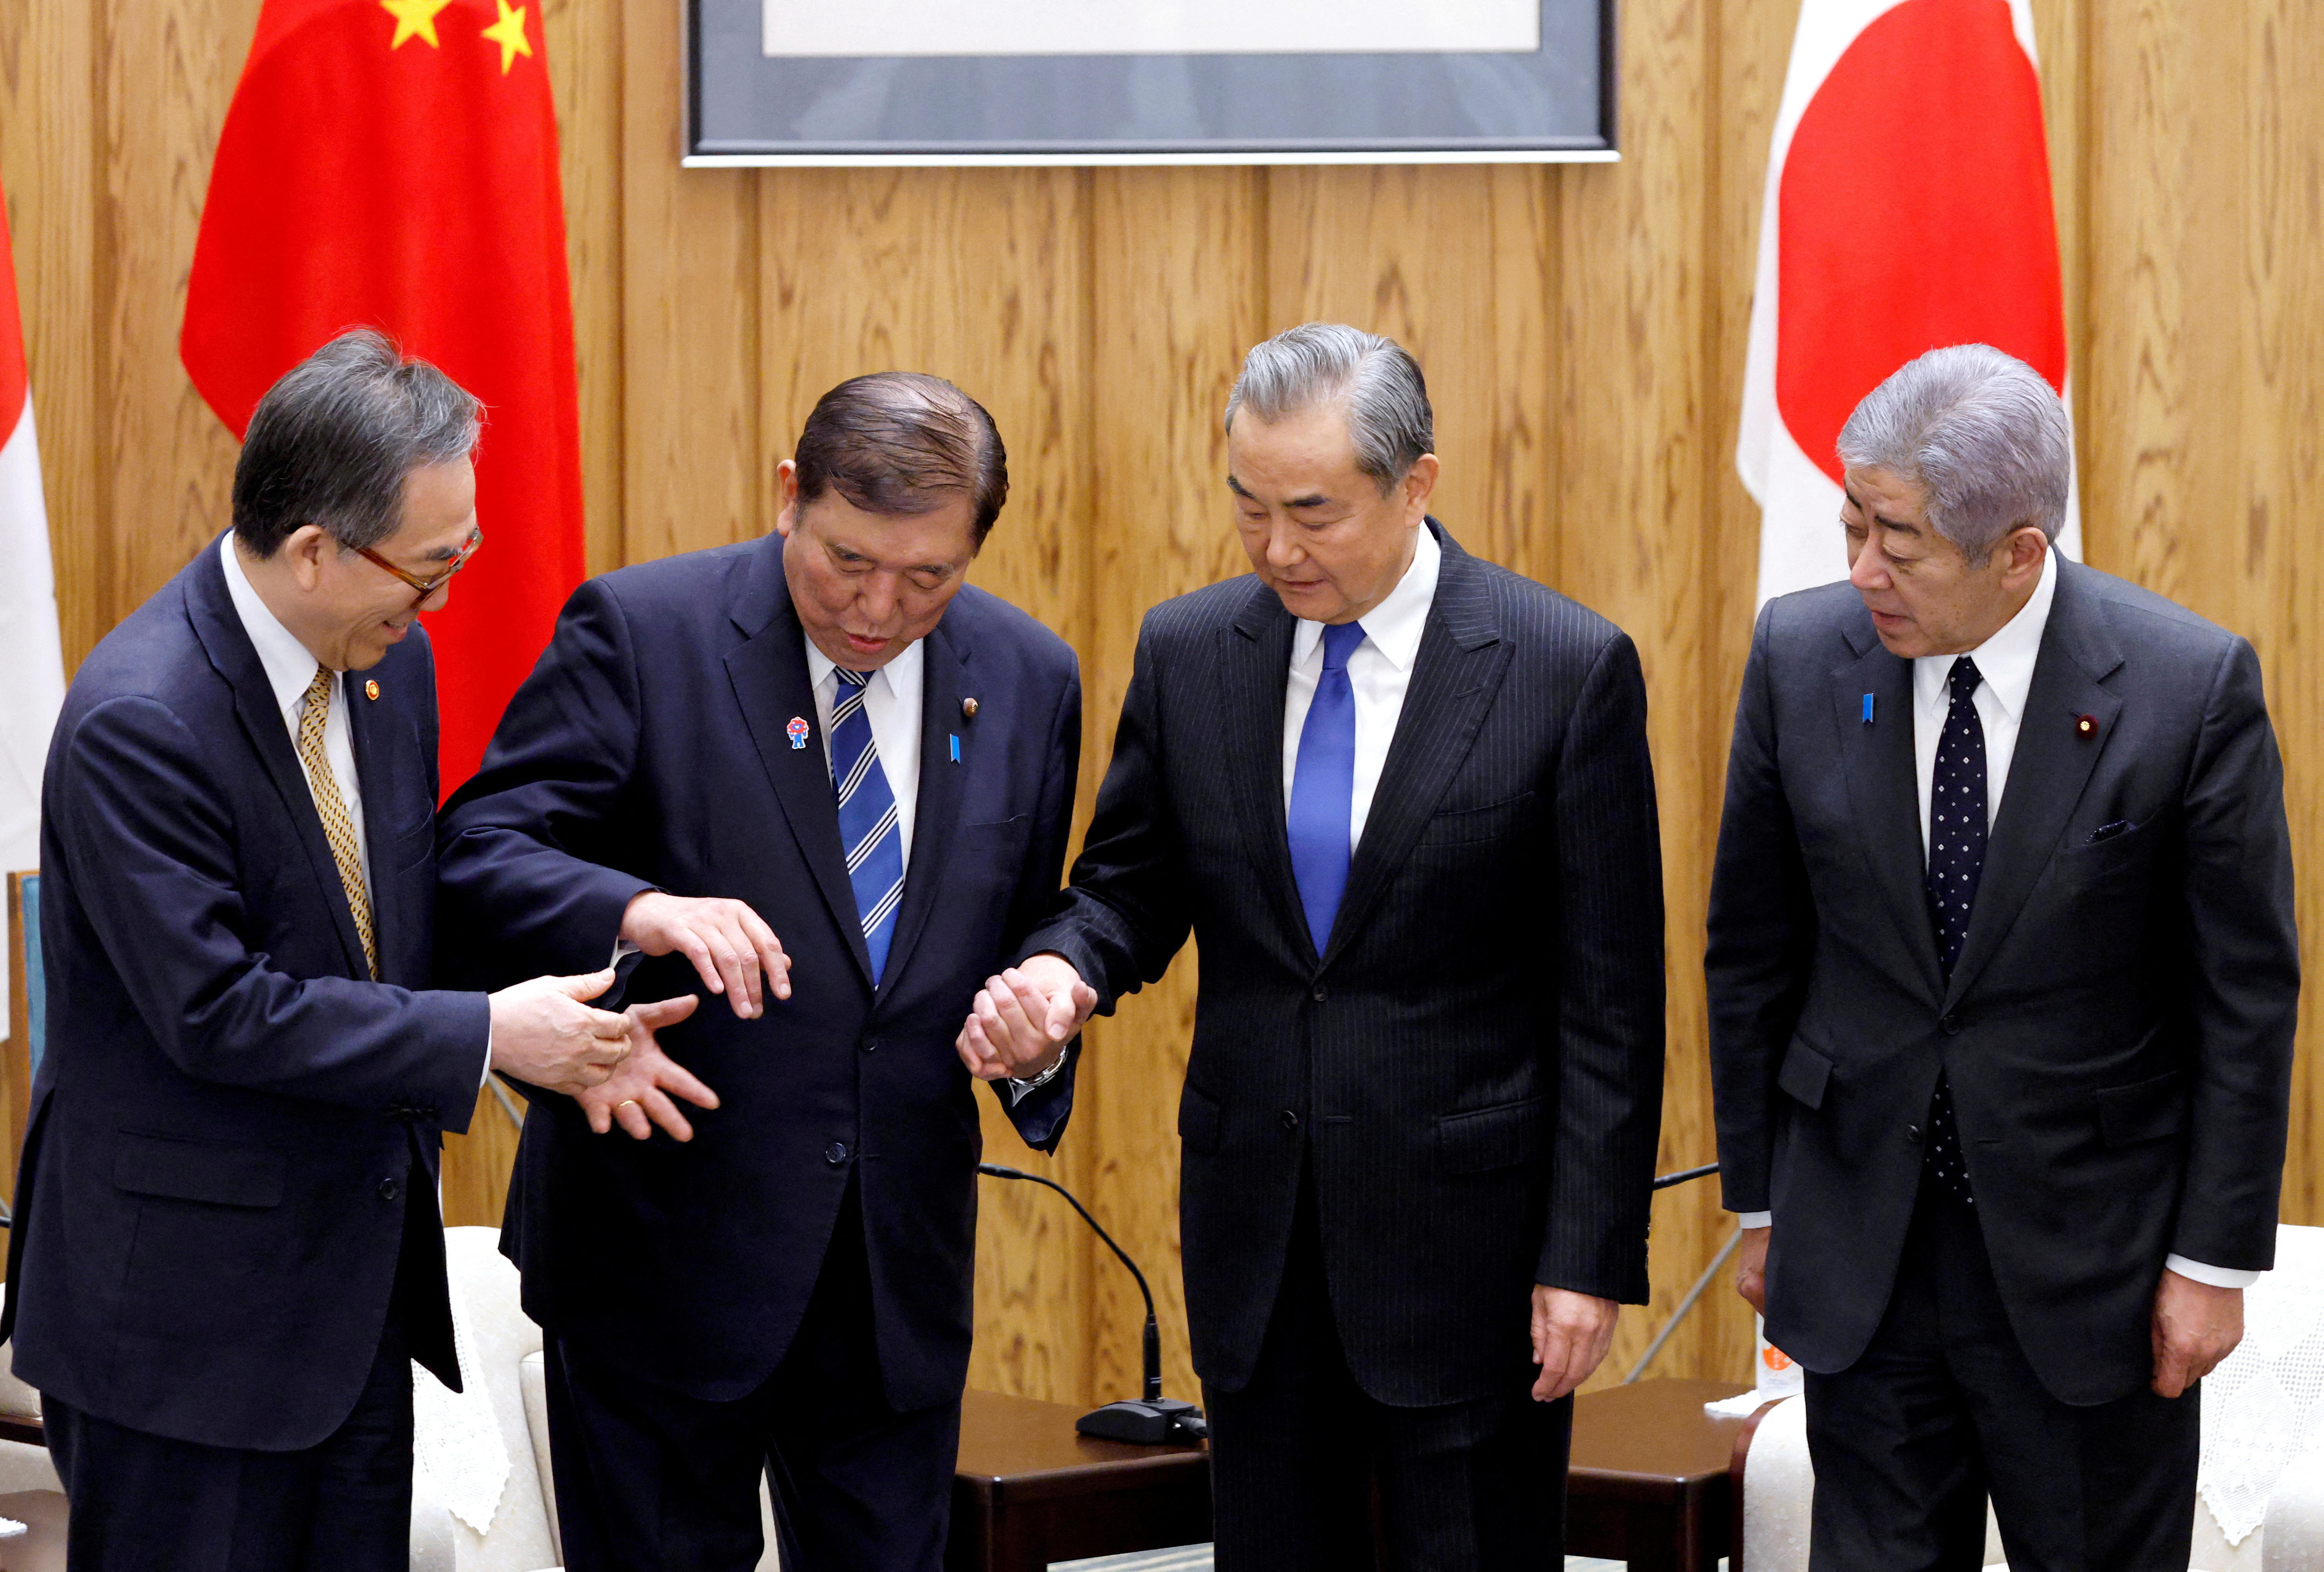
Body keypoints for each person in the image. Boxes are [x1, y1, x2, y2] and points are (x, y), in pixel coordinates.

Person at [960, 323, 1666, 1568]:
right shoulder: (1193, 653)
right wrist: (1063, 974)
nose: (1277, 548)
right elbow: (1127, 886)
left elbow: (1610, 1002)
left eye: (1314, 512)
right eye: (1247, 505)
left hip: (1473, 1267)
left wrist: (1588, 1258)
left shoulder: (1562, 668)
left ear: (1418, 488)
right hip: (1259, 1254)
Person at [2, 329, 649, 1571]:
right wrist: (487, 1036)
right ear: (314, 551)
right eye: (429, 567)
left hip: (349, 1311)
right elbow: (220, 1011)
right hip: (182, 1338)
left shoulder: (376, 669)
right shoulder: (142, 720)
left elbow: (399, 915)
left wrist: (614, 927)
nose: (444, 599)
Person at [434, 372, 1083, 1571]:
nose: (879, 609)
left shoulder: (1031, 679)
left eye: (926, 578)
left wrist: (1039, 1024)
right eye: (847, 561)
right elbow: (477, 853)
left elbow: (1025, 932)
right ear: (790, 495)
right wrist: (636, 909)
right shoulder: (645, 634)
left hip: (893, 1293)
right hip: (663, 1267)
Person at [1707, 343, 2299, 1570]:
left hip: (2094, 1268)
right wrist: (1765, 1206)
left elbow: (2242, 999)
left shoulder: (2187, 689)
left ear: (2019, 553)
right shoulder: (1800, 658)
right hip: (1866, 1247)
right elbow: (1752, 953)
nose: (1862, 570)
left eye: (1901, 544)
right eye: (1852, 525)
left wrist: (2212, 1263)